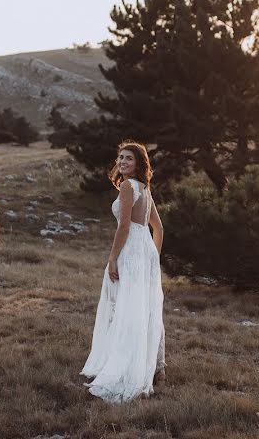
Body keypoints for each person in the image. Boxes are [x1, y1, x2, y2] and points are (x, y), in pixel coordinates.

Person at [81, 140, 166, 402]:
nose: (122, 162)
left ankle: (128, 370)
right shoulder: (145, 188)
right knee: (144, 309)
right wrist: (152, 258)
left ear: (139, 163)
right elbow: (158, 230)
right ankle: (157, 369)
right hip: (145, 253)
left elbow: (125, 227)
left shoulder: (129, 186)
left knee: (126, 309)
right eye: (119, 157)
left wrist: (113, 258)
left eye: (128, 158)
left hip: (131, 252)